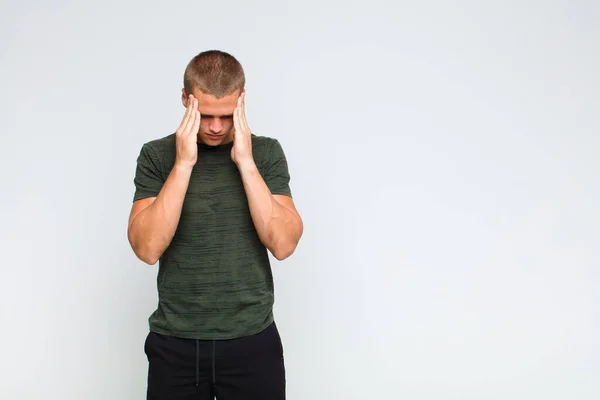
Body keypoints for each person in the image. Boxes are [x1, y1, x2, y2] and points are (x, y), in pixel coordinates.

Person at [127, 49, 303, 400]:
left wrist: (246, 163)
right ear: (184, 99)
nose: (216, 127)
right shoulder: (156, 156)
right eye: (205, 115)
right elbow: (146, 249)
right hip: (175, 344)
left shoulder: (265, 154)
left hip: (252, 341)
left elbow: (283, 245)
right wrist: (183, 165)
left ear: (242, 101)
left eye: (226, 115)